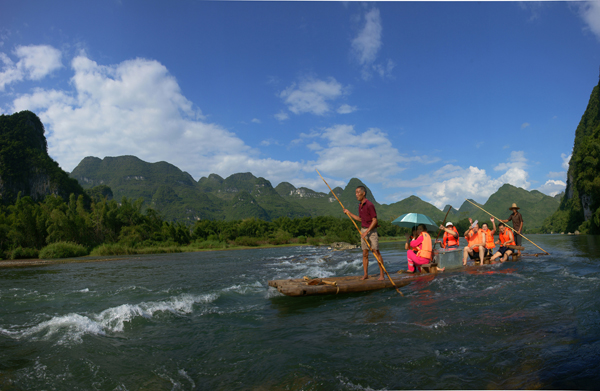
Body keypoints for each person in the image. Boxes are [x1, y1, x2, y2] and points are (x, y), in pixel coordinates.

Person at [343, 186, 385, 281]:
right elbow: (360, 219)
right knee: (365, 253)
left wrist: (367, 232)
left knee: (376, 252)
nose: (356, 195)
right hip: (363, 230)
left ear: (363, 193)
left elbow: (374, 220)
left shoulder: (369, 205)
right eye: (356, 193)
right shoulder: (360, 205)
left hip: (371, 231)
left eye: (358, 192)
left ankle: (382, 274)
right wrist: (349, 213)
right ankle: (365, 274)